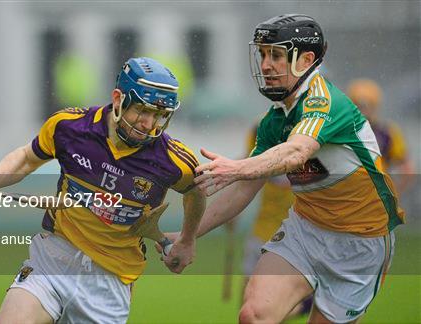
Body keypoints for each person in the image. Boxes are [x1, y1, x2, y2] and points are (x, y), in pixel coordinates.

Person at [165, 14, 404, 323]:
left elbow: (296, 152)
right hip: (305, 229)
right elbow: (243, 190)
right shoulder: (275, 120)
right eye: (263, 54)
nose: (265, 65)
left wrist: (238, 167)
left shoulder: (325, 102)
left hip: (361, 242)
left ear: (306, 60)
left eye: (276, 55)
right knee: (253, 315)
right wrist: (188, 236)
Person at [0, 57, 206, 323]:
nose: (148, 124)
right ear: (118, 99)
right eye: (142, 111)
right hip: (53, 259)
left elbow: (196, 192)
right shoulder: (69, 127)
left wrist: (187, 239)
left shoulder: (173, 159)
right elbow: (28, 157)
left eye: (159, 115)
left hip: (109, 282)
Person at [224, 125, 313, 318]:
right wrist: (232, 211)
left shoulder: (313, 130)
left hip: (297, 233)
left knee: (273, 307)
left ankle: (306, 305)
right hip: (263, 228)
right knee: (247, 305)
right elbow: (248, 166)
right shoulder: (262, 128)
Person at [347, 78, 415, 194]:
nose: (363, 110)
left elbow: (407, 170)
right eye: (359, 105)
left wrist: (394, 194)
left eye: (366, 106)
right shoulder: (342, 132)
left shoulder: (388, 133)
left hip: (371, 195)